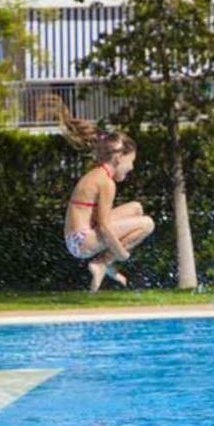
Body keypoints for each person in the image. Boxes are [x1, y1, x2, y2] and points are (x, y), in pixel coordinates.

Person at [60, 107, 155, 292]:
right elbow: (103, 226)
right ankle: (102, 263)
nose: (132, 168)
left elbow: (98, 221)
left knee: (136, 208)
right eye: (131, 161)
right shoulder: (106, 183)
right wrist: (121, 253)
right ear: (119, 158)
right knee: (147, 224)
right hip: (81, 242)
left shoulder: (97, 175)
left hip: (76, 237)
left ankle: (104, 263)